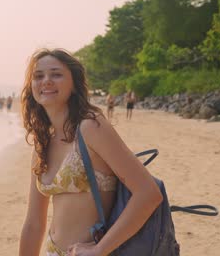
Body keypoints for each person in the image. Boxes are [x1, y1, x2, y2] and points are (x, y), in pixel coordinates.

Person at [18, 49, 162, 256]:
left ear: (74, 85)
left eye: (56, 74)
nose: (46, 81)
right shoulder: (43, 144)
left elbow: (148, 194)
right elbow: (34, 223)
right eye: (38, 76)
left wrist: (99, 249)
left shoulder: (90, 127)